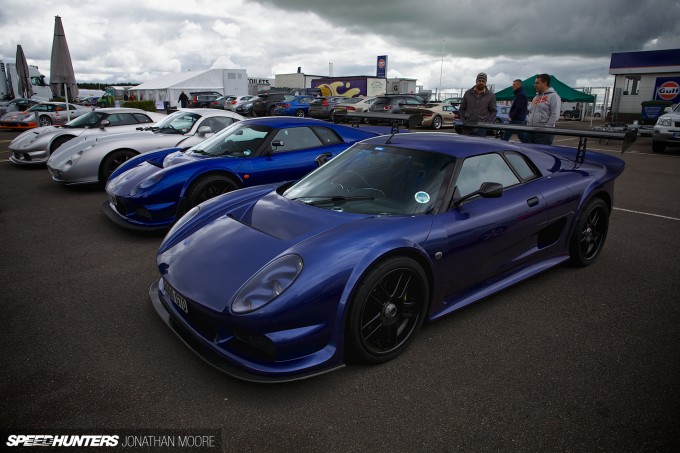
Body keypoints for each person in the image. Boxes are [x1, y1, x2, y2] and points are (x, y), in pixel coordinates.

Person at [525, 74, 561, 144]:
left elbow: (555, 115)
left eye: (537, 83)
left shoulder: (554, 96)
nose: (535, 85)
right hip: (530, 131)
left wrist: (545, 129)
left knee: (540, 154)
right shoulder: (535, 97)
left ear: (545, 83)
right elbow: (530, 111)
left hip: (543, 134)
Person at [458, 72, 497, 137]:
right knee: (465, 145)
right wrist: (463, 121)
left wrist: (487, 124)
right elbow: (461, 108)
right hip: (467, 126)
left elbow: (493, 111)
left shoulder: (491, 96)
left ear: (485, 83)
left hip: (481, 128)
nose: (481, 82)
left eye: (483, 81)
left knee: (480, 146)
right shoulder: (468, 93)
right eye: (479, 80)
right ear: (476, 81)